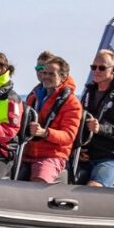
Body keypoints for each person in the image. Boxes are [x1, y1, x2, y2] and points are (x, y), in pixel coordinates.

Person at [76, 49, 114, 188]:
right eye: (93, 67)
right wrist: (76, 151)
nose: (96, 71)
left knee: (93, 187)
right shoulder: (88, 93)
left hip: (111, 158)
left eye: (101, 68)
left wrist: (100, 128)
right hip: (86, 156)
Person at [22, 55, 82, 183]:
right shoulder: (33, 97)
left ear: (63, 77)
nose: (46, 77)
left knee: (39, 180)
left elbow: (68, 136)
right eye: (44, 73)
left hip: (52, 156)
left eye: (51, 74)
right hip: (27, 153)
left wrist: (44, 133)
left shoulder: (72, 103)